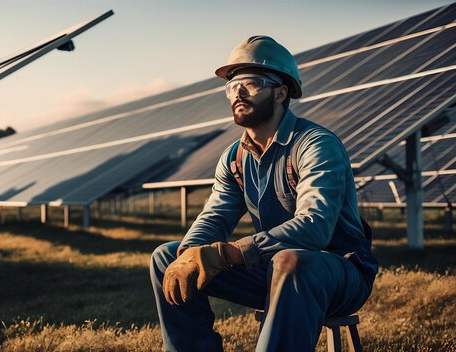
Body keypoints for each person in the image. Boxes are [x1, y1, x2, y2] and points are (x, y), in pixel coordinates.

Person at [149, 35, 378, 351]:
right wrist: (190, 251)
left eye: (251, 84)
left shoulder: (315, 145)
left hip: (338, 272)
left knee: (292, 261)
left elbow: (315, 227)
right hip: (274, 269)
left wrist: (227, 254)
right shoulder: (234, 157)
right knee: (166, 257)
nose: (238, 93)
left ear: (281, 92)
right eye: (232, 87)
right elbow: (215, 216)